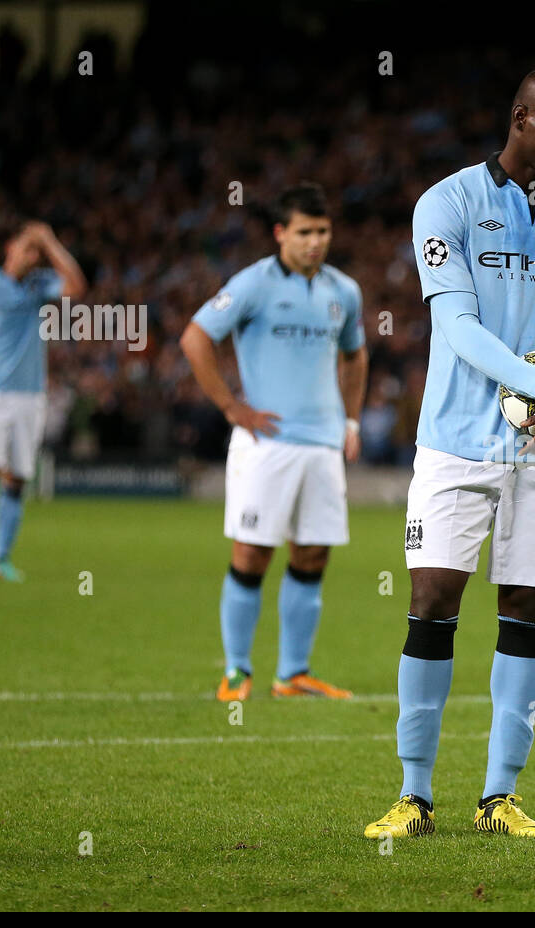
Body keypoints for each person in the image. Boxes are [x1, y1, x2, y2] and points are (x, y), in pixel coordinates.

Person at [364, 64, 535, 840]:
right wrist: (534, 385)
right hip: (459, 440)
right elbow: (456, 326)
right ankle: (414, 796)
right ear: (521, 119)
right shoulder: (446, 204)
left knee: (528, 609)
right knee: (432, 600)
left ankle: (499, 798)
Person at [180, 183, 367, 701]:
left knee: (312, 556)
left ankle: (292, 674)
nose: (316, 242)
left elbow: (355, 355)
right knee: (253, 552)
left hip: (323, 444)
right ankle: (237, 670)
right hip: (267, 444)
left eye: (323, 231)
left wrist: (350, 422)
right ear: (281, 233)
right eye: (305, 232)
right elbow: (195, 337)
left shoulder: (343, 291)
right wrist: (230, 407)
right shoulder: (254, 283)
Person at [0, 221, 87, 582]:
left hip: (30, 396)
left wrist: (50, 242)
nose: (34, 256)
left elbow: (77, 287)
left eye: (37, 252)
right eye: (29, 248)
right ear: (10, 247)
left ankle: (0, 559)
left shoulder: (40, 285)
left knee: (17, 478)